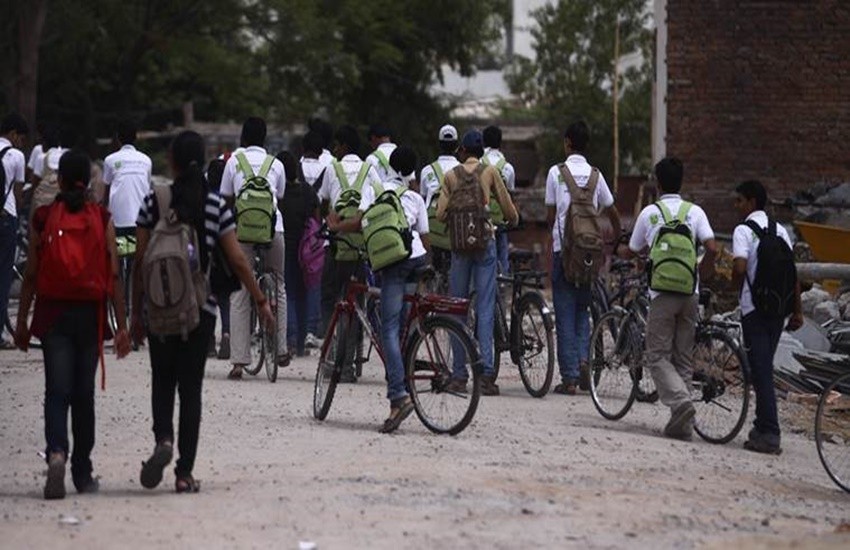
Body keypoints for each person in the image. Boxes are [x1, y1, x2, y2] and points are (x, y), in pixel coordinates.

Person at [131, 130, 274, 493]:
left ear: (173, 161)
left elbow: (140, 262)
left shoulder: (153, 202)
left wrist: (134, 314)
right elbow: (238, 260)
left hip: (159, 309)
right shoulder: (215, 206)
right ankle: (184, 474)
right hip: (200, 309)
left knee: (162, 381)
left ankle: (163, 439)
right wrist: (260, 300)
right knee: (190, 390)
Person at [14, 149, 131, 499]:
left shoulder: (44, 217)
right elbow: (113, 274)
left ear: (60, 180)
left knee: (56, 390)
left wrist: (21, 322)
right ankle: (82, 471)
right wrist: (122, 326)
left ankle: (56, 453)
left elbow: (31, 274)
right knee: (83, 395)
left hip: (52, 315)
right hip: (90, 316)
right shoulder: (101, 217)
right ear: (89, 181)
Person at [328, 146, 429, 432]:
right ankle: (404, 371)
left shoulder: (375, 188)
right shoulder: (415, 197)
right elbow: (425, 237)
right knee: (404, 326)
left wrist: (336, 227)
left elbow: (361, 222)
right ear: (412, 171)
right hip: (417, 259)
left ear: (388, 166)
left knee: (389, 330)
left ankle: (398, 397)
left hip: (393, 263)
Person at [623, 157, 717, 440]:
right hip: (690, 293)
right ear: (681, 181)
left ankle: (681, 402)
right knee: (683, 359)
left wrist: (622, 251)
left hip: (662, 294)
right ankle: (682, 427)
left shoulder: (650, 213)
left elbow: (633, 249)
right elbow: (712, 247)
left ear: (658, 183)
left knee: (656, 357)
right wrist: (702, 271)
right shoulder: (695, 212)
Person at [436, 129, 518, 396]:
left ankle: (459, 375)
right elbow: (507, 207)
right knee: (484, 308)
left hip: (460, 246)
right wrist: (513, 220)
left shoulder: (451, 175)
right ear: (481, 152)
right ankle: (485, 376)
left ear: (462, 150)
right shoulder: (490, 171)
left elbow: (440, 214)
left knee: (457, 308)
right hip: (485, 244)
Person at [546, 121, 621, 395]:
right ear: (586, 144)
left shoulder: (556, 173)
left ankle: (569, 378)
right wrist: (616, 238)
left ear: (567, 142)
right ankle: (583, 361)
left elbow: (550, 216)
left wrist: (556, 239)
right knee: (582, 312)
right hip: (590, 254)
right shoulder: (596, 176)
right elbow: (612, 212)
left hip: (564, 252)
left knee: (564, 314)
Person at [732, 179, 803, 454]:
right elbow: (793, 274)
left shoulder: (743, 231)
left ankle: (771, 433)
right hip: (777, 310)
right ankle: (761, 426)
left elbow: (740, 267)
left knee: (761, 370)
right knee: (763, 366)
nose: (737, 206)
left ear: (751, 202)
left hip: (754, 310)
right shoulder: (781, 231)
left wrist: (734, 286)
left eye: (739, 200)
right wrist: (797, 311)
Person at [219, 117, 289, 380]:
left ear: (243, 138)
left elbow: (227, 197)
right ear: (265, 138)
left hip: (243, 232)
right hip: (273, 230)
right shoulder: (277, 164)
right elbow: (279, 197)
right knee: (279, 284)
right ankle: (281, 349)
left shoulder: (234, 162)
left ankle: (239, 361)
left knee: (239, 291)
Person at [318, 125, 382, 382]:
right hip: (362, 248)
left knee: (329, 300)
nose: (334, 149)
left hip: (336, 246)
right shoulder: (370, 169)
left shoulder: (332, 168)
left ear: (343, 146)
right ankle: (350, 365)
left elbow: (323, 202)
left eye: (337, 145)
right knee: (356, 304)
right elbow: (378, 199)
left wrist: (328, 219)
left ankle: (332, 358)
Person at [102, 120, 153, 326]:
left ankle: (120, 318)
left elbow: (106, 192)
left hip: (117, 223)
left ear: (118, 139)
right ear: (136, 137)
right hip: (141, 224)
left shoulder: (110, 160)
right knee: (139, 267)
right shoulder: (146, 160)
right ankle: (139, 316)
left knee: (117, 267)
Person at [280, 150, 319, 357]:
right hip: (307, 249)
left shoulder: (279, 193)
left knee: (289, 293)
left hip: (286, 246)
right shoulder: (308, 191)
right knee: (304, 292)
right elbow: (316, 219)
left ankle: (292, 339)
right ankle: (303, 340)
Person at [0, 113, 28, 349]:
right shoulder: (16, 156)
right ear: (12, 134)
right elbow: (18, 194)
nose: (21, 142)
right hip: (6, 218)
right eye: (21, 138)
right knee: (3, 277)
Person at [206, 158, 232, 359]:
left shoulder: (205, 198)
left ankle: (209, 341)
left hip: (209, 252)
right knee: (225, 297)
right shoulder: (228, 200)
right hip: (226, 251)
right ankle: (226, 334)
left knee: (209, 296)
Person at [482, 125, 516, 275]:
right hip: (500, 220)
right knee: (502, 254)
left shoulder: (478, 163)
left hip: (482, 220)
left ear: (483, 142)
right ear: (500, 143)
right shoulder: (508, 168)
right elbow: (510, 197)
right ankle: (504, 281)